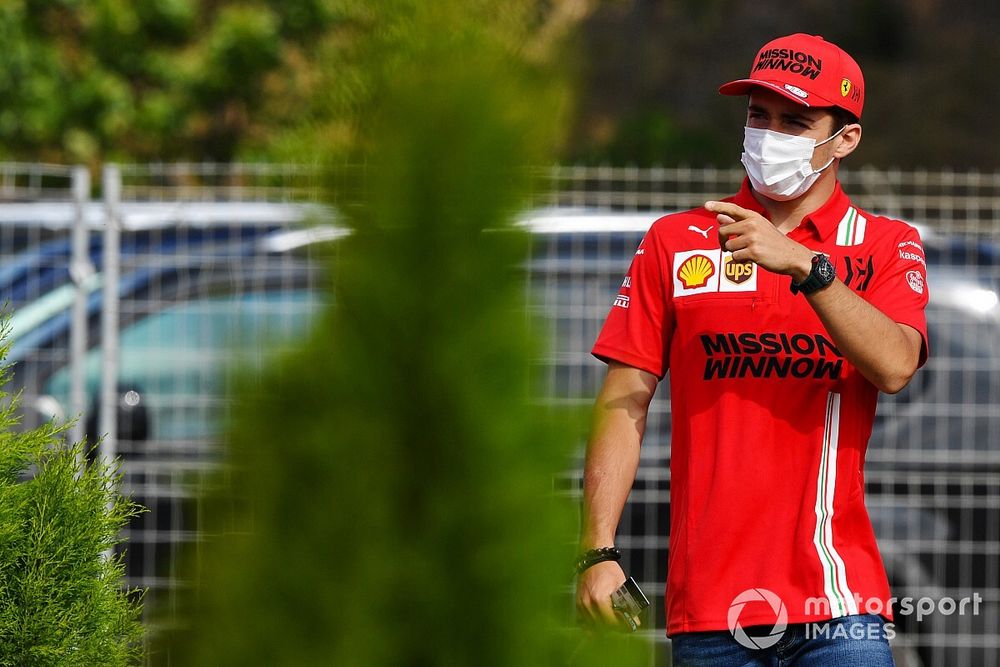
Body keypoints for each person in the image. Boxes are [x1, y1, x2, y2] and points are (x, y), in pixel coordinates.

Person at [575, 33, 929, 666]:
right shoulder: (675, 239)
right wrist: (598, 550)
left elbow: (898, 364)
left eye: (795, 121)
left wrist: (806, 267)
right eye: (758, 116)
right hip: (708, 606)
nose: (771, 135)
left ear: (844, 139)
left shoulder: (883, 243)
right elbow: (622, 402)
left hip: (838, 603)